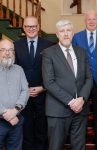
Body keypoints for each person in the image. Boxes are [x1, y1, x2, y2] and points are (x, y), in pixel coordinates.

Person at [42, 19, 93, 150]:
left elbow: (89, 78)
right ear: (57, 34)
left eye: (68, 30)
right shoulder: (48, 53)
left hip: (80, 110)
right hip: (58, 110)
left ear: (73, 33)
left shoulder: (82, 52)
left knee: (79, 147)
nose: (65, 34)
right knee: (55, 146)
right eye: (62, 31)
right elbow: (49, 82)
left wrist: (82, 99)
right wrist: (71, 102)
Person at [72, 10, 97, 150]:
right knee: (80, 114)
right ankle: (79, 143)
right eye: (89, 19)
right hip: (82, 82)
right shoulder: (76, 37)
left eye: (94, 19)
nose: (91, 21)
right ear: (85, 21)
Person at [14, 16, 53, 150]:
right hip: (23, 95)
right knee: (27, 128)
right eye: (28, 26)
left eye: (34, 26)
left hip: (43, 93)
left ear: (38, 27)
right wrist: (24, 89)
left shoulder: (48, 45)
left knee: (42, 128)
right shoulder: (16, 45)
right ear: (24, 28)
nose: (31, 29)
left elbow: (52, 70)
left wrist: (43, 87)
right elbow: (15, 71)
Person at [0, 39, 29, 150]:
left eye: (11, 50)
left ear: (14, 53)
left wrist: (15, 110)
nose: (7, 53)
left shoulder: (19, 70)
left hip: (16, 121)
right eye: (4, 50)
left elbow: (25, 91)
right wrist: (6, 114)